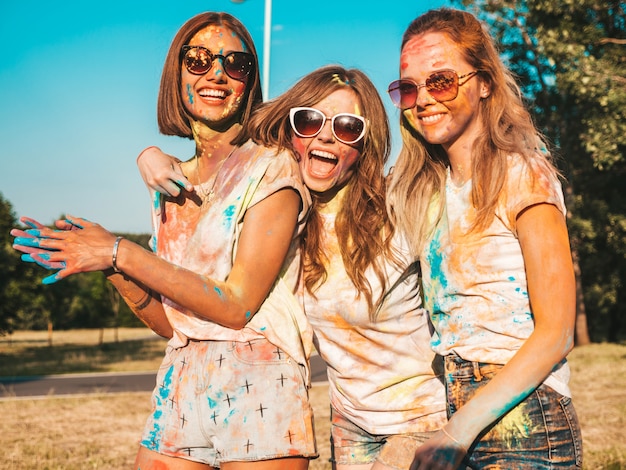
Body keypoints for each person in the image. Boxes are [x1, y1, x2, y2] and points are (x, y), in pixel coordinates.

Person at [12, 11, 318, 470]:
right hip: (180, 375)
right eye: (198, 60)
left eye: (236, 64)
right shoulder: (168, 184)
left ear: (249, 82)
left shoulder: (271, 166)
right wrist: (111, 268)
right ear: (176, 75)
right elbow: (172, 324)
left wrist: (121, 251)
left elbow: (236, 307)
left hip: (259, 377)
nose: (217, 73)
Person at [138, 65, 448, 470]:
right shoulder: (285, 218)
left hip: (420, 420)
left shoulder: (398, 208)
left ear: (365, 143)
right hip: (350, 425)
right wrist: (150, 155)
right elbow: (224, 135)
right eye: (309, 120)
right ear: (290, 132)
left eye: (347, 127)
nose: (324, 135)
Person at [384, 7, 583, 469]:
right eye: (409, 87)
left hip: (525, 420)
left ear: (485, 82)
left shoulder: (523, 173)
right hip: (458, 404)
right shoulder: (425, 191)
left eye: (441, 81)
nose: (423, 100)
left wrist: (457, 431)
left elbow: (557, 333)